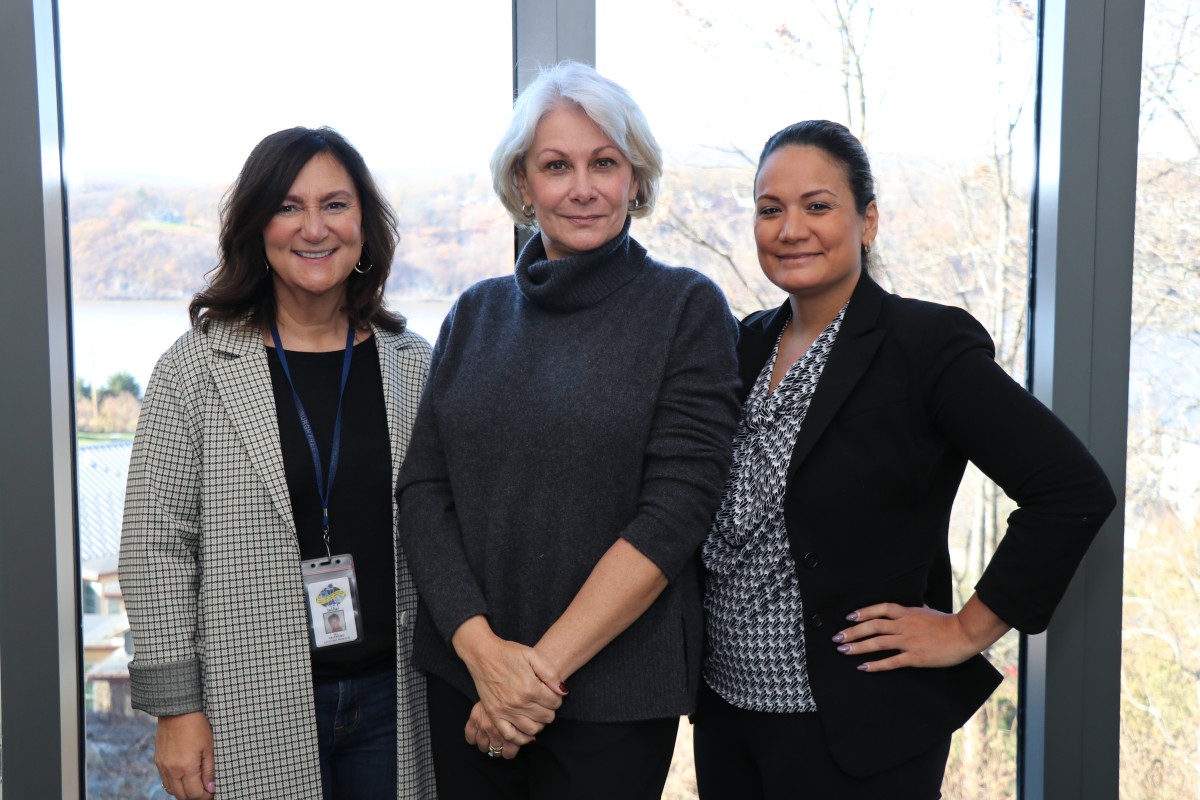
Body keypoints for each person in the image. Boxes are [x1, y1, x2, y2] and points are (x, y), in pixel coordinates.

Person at [693, 120, 1117, 799]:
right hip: (727, 720)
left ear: (868, 220)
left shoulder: (924, 345)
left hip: (858, 728)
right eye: (770, 209)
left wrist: (966, 631)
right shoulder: (740, 347)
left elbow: (1071, 490)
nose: (790, 227)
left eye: (818, 205)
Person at [396, 61, 741, 799]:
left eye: (604, 163)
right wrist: (485, 656)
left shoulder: (686, 309)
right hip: (468, 683)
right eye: (556, 165)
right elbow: (424, 492)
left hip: (613, 699)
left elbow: (675, 511)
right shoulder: (475, 313)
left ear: (635, 180)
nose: (581, 187)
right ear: (523, 183)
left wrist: (532, 678)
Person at [119, 127, 436, 800]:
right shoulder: (195, 368)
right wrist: (177, 709)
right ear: (256, 226)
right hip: (248, 703)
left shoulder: (412, 363)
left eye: (335, 205)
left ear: (364, 226)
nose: (313, 228)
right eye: (289, 206)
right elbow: (155, 548)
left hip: (395, 696)